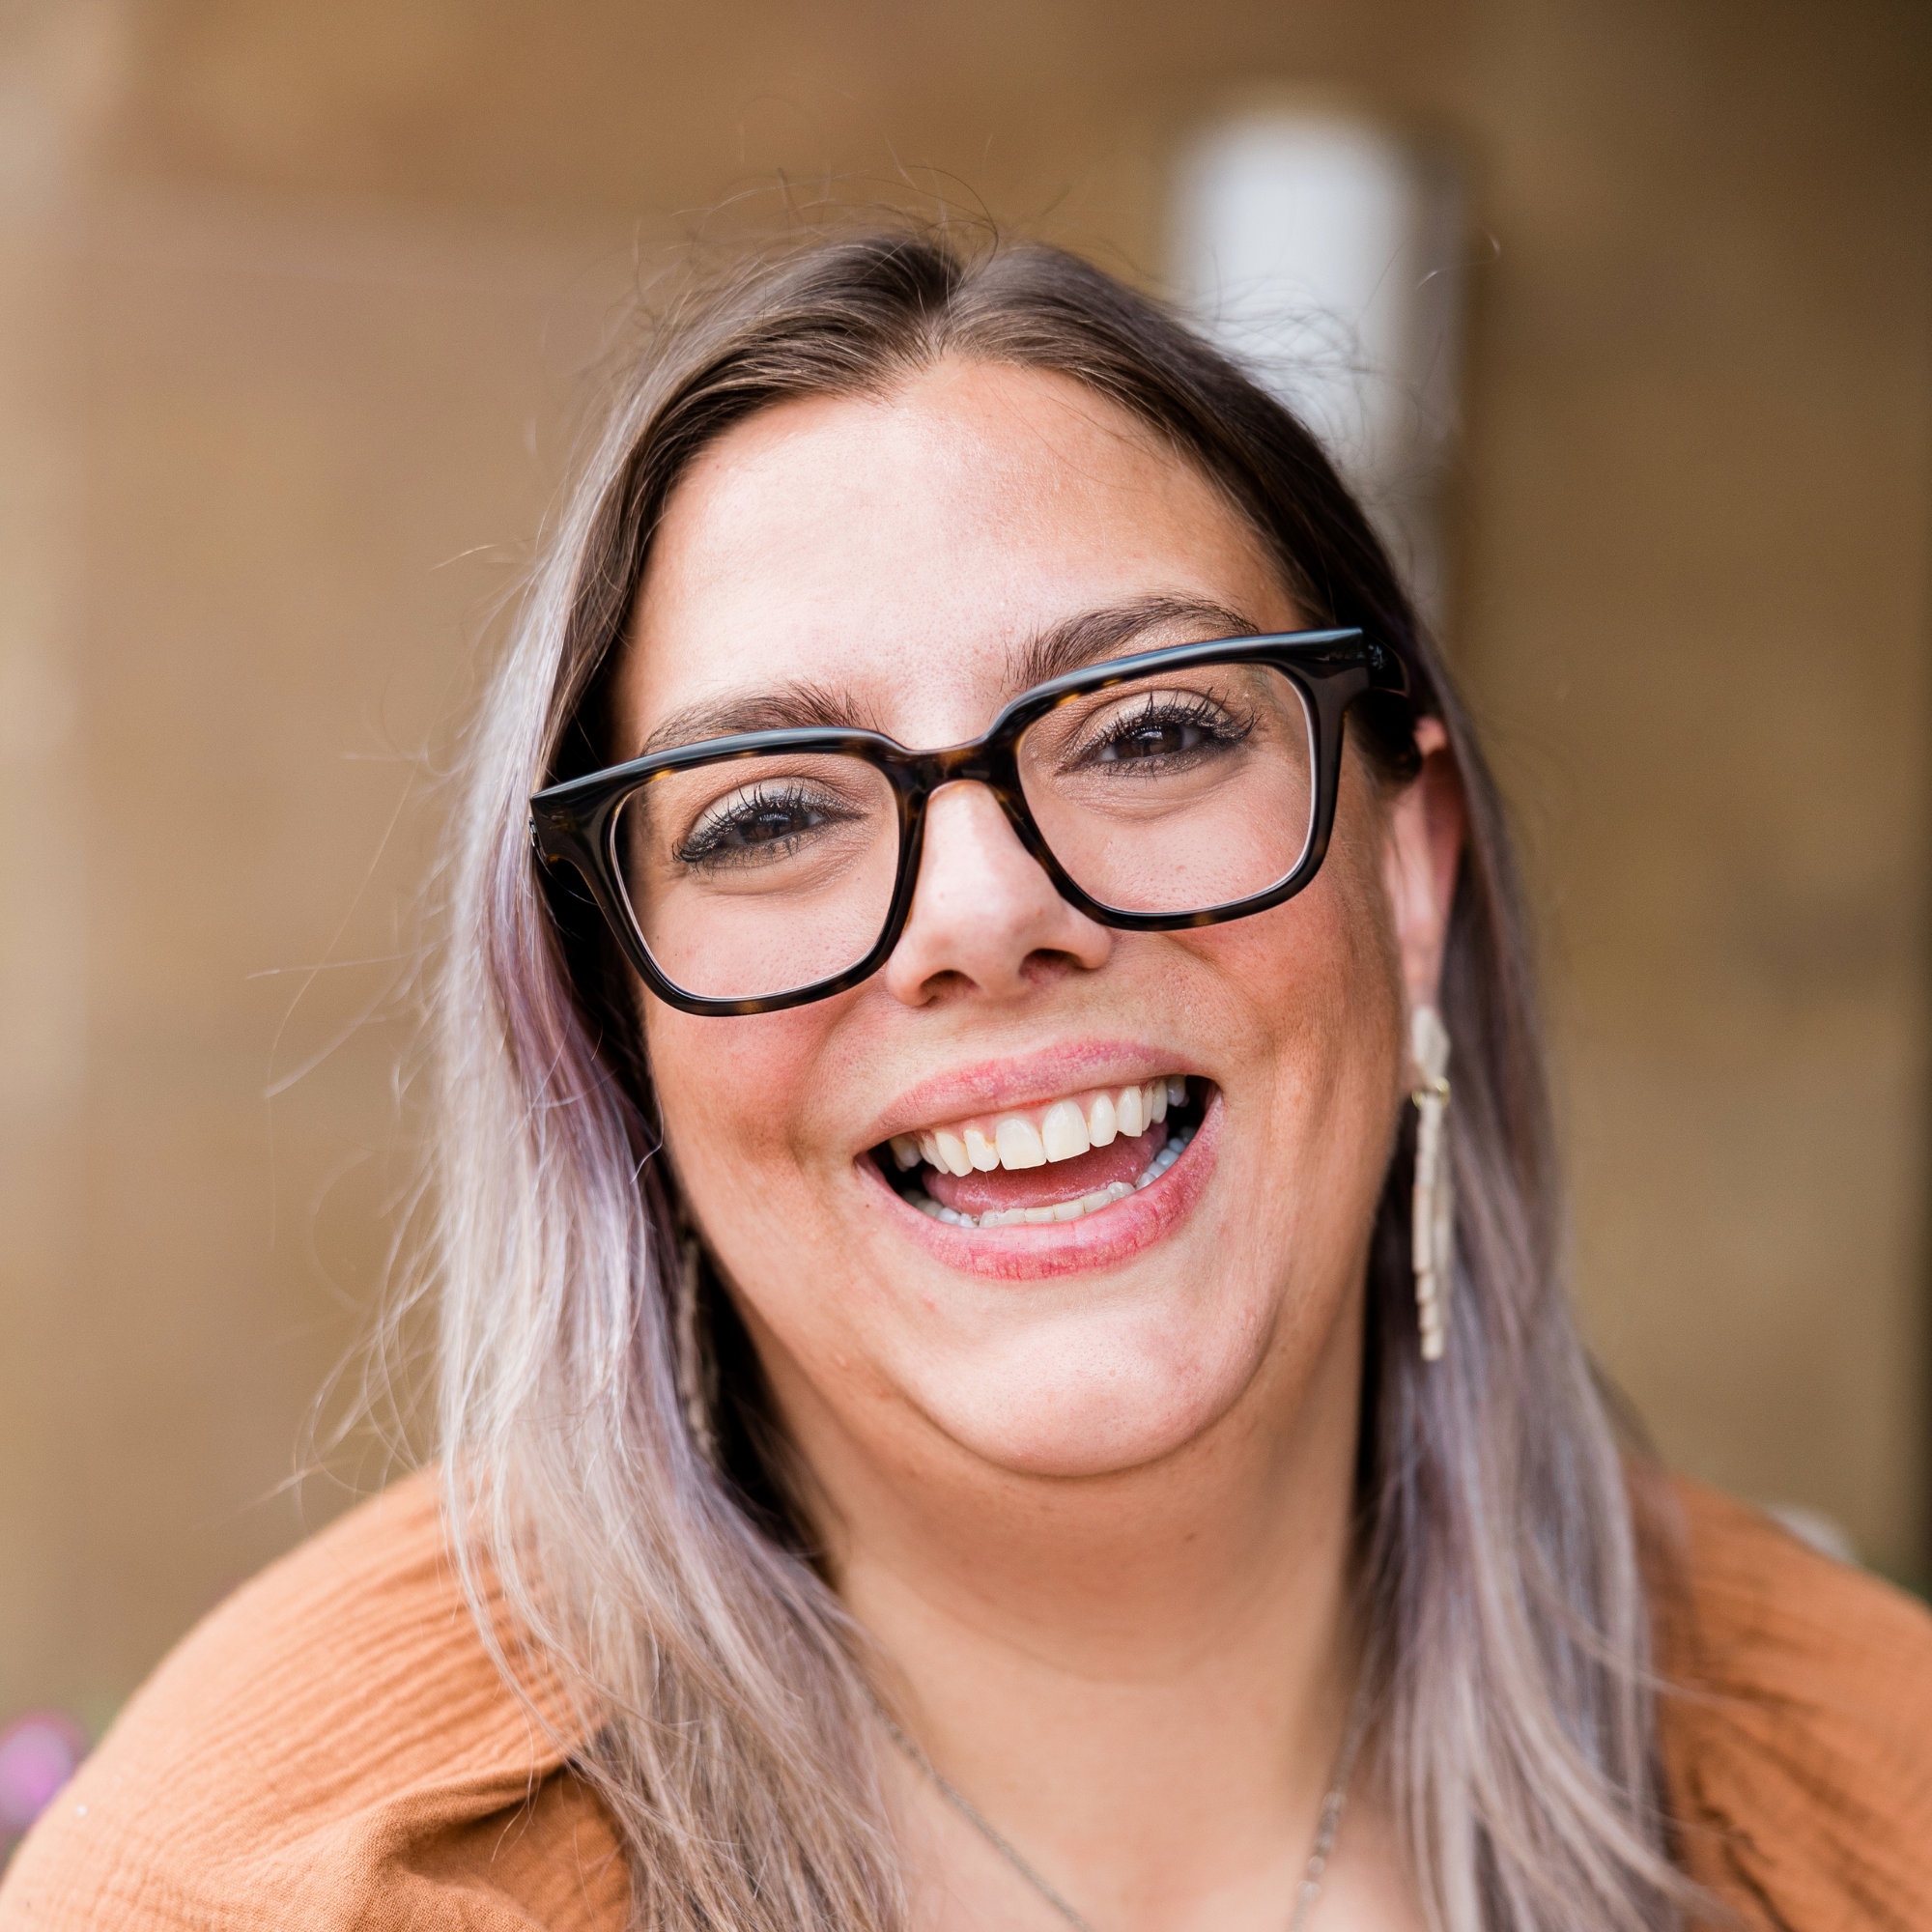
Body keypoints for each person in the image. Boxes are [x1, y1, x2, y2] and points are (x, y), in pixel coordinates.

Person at [5, 231, 1930, 1932]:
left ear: (1407, 874)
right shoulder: (275, 1891)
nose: (989, 906)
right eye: (771, 815)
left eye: (1153, 727)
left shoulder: (1877, 1803)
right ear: (614, 1025)